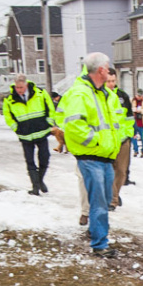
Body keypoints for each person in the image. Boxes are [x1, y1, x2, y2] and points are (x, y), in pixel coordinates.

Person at [57, 53, 123, 258]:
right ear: (101, 70)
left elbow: (115, 121)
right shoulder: (80, 94)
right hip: (92, 157)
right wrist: (97, 141)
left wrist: (117, 139)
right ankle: (99, 243)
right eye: (107, 67)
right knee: (99, 202)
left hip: (104, 157)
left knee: (103, 201)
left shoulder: (104, 94)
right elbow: (74, 125)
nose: (110, 70)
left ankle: (99, 237)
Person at [2, 74, 56, 195]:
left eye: (21, 87)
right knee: (30, 161)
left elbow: (50, 108)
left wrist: (49, 122)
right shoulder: (10, 99)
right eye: (17, 87)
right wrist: (16, 128)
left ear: (26, 85)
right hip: (25, 135)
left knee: (44, 158)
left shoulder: (40, 93)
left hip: (42, 132)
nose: (19, 90)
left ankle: (40, 180)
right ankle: (35, 187)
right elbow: (8, 117)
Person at [108, 81, 134, 210]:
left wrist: (129, 134)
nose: (111, 84)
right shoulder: (99, 96)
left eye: (113, 81)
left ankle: (115, 194)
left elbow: (129, 118)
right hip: (107, 140)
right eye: (108, 81)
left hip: (123, 139)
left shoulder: (123, 96)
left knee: (121, 171)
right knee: (108, 170)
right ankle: (112, 199)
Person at [132, 90, 143, 157]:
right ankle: (135, 150)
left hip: (142, 123)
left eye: (140, 96)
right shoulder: (132, 101)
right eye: (138, 95)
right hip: (134, 122)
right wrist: (133, 110)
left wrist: (141, 111)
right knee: (133, 137)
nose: (139, 97)